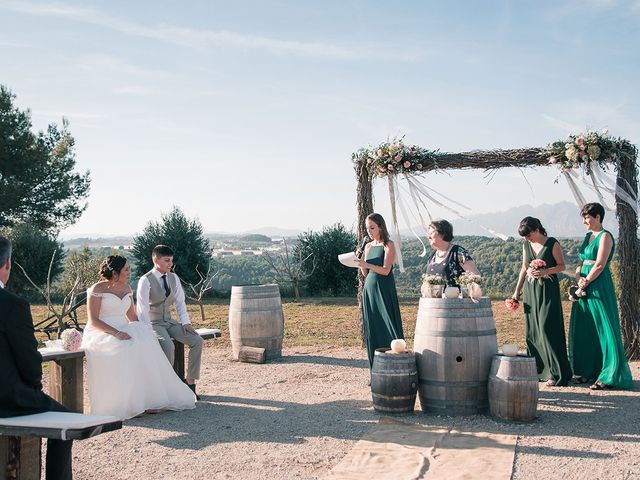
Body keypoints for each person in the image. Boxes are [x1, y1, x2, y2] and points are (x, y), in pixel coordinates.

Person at [82, 255, 195, 420]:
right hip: (102, 331)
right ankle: (126, 403)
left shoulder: (127, 288)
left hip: (124, 328)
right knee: (125, 349)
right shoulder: (97, 290)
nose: (130, 272)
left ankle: (147, 400)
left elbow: (132, 316)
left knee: (146, 344)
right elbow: (94, 320)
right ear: (115, 273)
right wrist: (116, 333)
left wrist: (143, 331)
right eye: (126, 269)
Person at [0, 235, 74, 480]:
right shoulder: (12, 305)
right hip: (8, 399)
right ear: (7, 263)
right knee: (68, 420)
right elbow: (29, 361)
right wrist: (34, 388)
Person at [568, 203, 633, 390]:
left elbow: (599, 264)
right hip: (584, 283)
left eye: (587, 217)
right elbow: (581, 260)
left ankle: (609, 375)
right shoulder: (588, 236)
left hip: (598, 284)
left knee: (604, 327)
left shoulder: (605, 237)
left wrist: (586, 281)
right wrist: (579, 277)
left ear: (598, 217)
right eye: (583, 217)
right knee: (585, 327)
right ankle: (587, 371)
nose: (584, 221)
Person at [511, 217, 572, 386]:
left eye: (528, 235)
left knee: (547, 328)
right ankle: (538, 370)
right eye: (524, 236)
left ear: (537, 230)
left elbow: (562, 266)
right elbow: (524, 267)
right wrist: (517, 292)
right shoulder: (526, 245)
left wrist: (546, 271)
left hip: (548, 290)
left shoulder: (552, 243)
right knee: (533, 330)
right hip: (531, 291)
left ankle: (557, 372)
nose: (526, 239)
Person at [136, 245, 203, 399]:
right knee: (168, 345)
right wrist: (146, 332)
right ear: (155, 259)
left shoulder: (174, 278)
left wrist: (186, 323)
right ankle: (168, 387)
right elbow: (142, 309)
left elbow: (180, 302)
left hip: (170, 322)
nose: (170, 264)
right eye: (166, 260)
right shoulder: (145, 281)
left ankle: (190, 383)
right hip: (154, 324)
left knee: (197, 340)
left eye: (171, 261)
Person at [355, 213, 404, 369]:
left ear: (380, 227)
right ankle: (376, 369)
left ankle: (397, 364)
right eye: (367, 228)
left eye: (372, 227)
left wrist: (366, 264)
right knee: (373, 326)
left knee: (388, 323)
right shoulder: (368, 246)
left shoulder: (389, 245)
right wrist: (360, 262)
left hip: (384, 288)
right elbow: (365, 274)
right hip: (370, 289)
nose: (369, 231)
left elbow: (385, 270)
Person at [426, 219, 481, 292]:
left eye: (431, 233)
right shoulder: (432, 256)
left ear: (443, 234)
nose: (428, 237)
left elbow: (476, 277)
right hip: (434, 302)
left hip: (456, 302)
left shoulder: (458, 253)